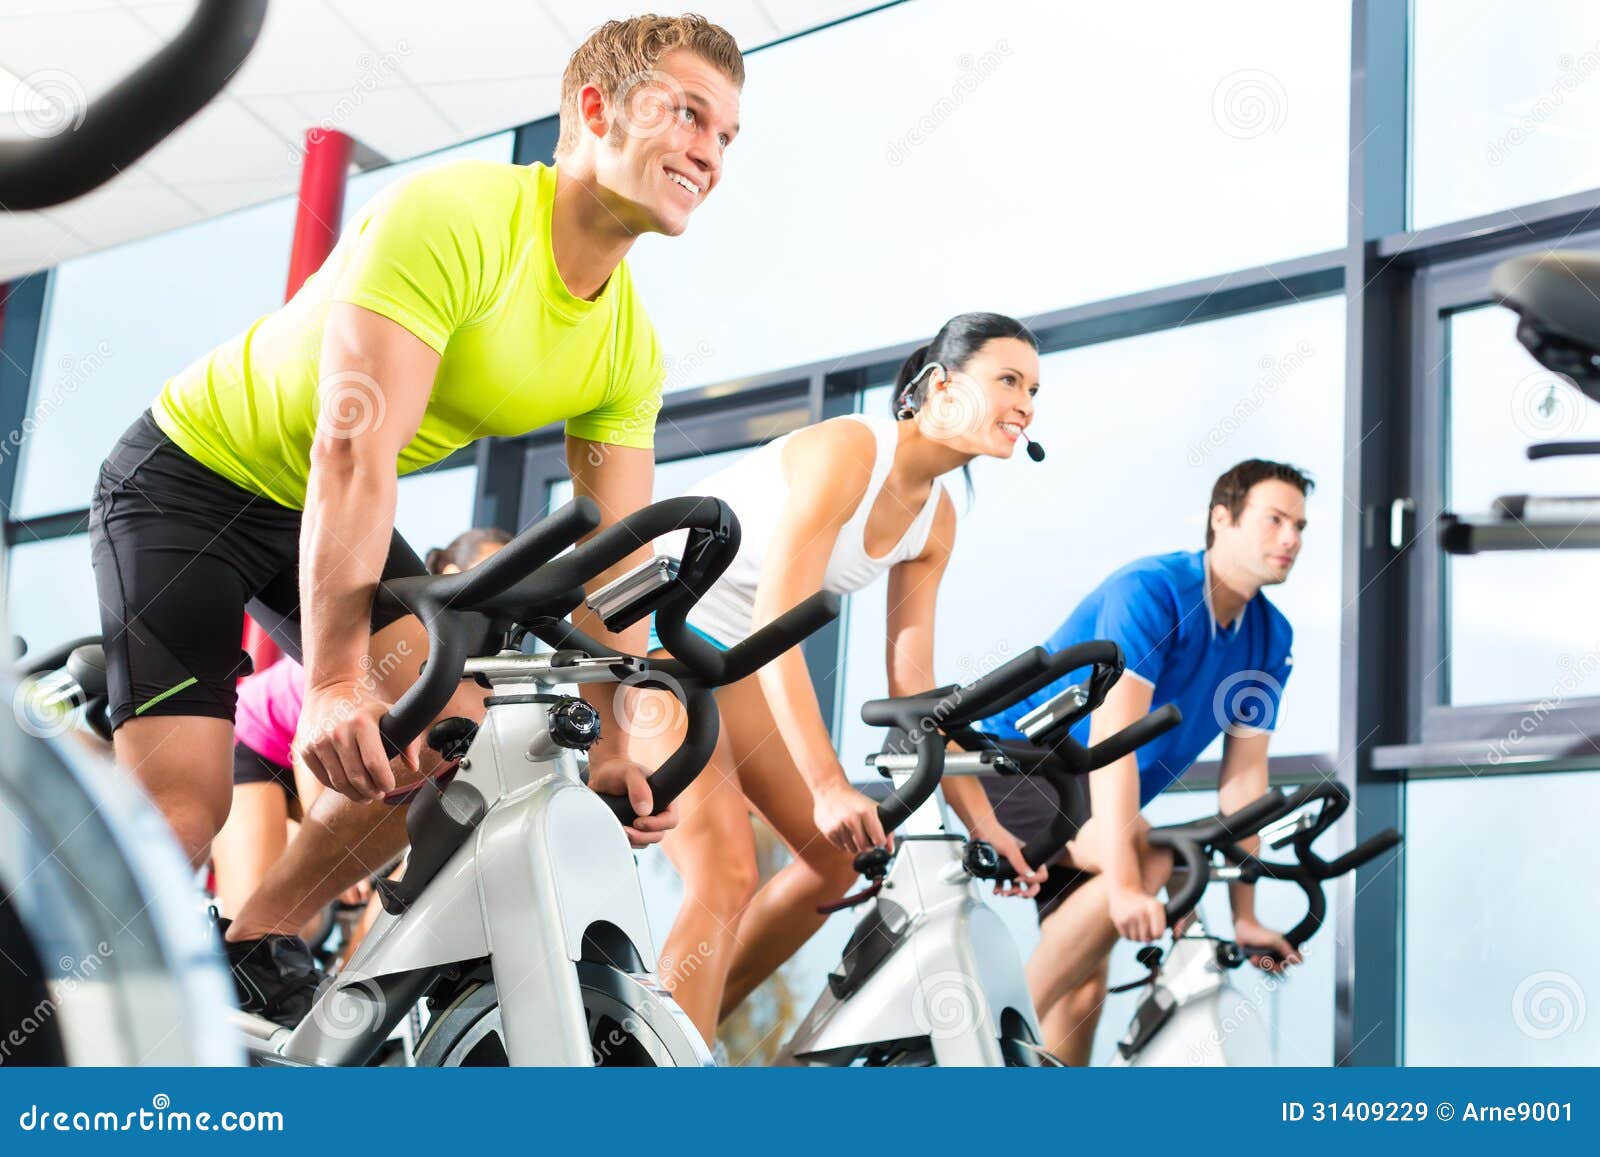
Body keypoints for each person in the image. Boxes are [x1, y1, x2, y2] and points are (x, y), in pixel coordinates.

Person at [86, 15, 744, 1026]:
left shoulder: (625, 347)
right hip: (191, 477)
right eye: (688, 114)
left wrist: (620, 733)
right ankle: (53, 1011)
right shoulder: (454, 214)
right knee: (179, 817)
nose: (707, 150)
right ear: (598, 108)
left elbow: (624, 562)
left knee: (453, 737)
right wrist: (338, 679)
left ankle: (257, 938)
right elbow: (353, 446)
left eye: (726, 136)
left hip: (314, 501)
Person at [627, 312, 1050, 1047]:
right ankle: (664, 1060)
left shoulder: (937, 518)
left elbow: (916, 688)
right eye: (1008, 380)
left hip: (735, 660)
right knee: (724, 871)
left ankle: (668, 1039)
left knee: (835, 863)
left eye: (1035, 389)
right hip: (650, 631)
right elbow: (774, 617)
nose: (1026, 404)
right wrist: (826, 782)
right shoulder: (850, 452)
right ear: (939, 388)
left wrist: (985, 823)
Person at [974, 459, 1313, 1064]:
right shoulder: (1153, 592)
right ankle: (987, 1052)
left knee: (1084, 991)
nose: (1291, 539)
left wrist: (1247, 916)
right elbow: (1117, 738)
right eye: (1275, 520)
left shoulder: (1270, 637)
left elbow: (1243, 785)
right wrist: (1128, 883)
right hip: (1018, 763)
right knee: (1153, 859)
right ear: (1222, 519)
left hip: (1094, 790)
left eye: (1301, 526)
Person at [209, 529, 510, 935]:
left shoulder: (483, 662)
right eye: (490, 573)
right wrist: (336, 855)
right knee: (291, 924)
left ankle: (350, 989)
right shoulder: (396, 639)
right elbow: (307, 743)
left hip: (339, 758)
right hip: (262, 748)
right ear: (453, 573)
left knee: (413, 871)